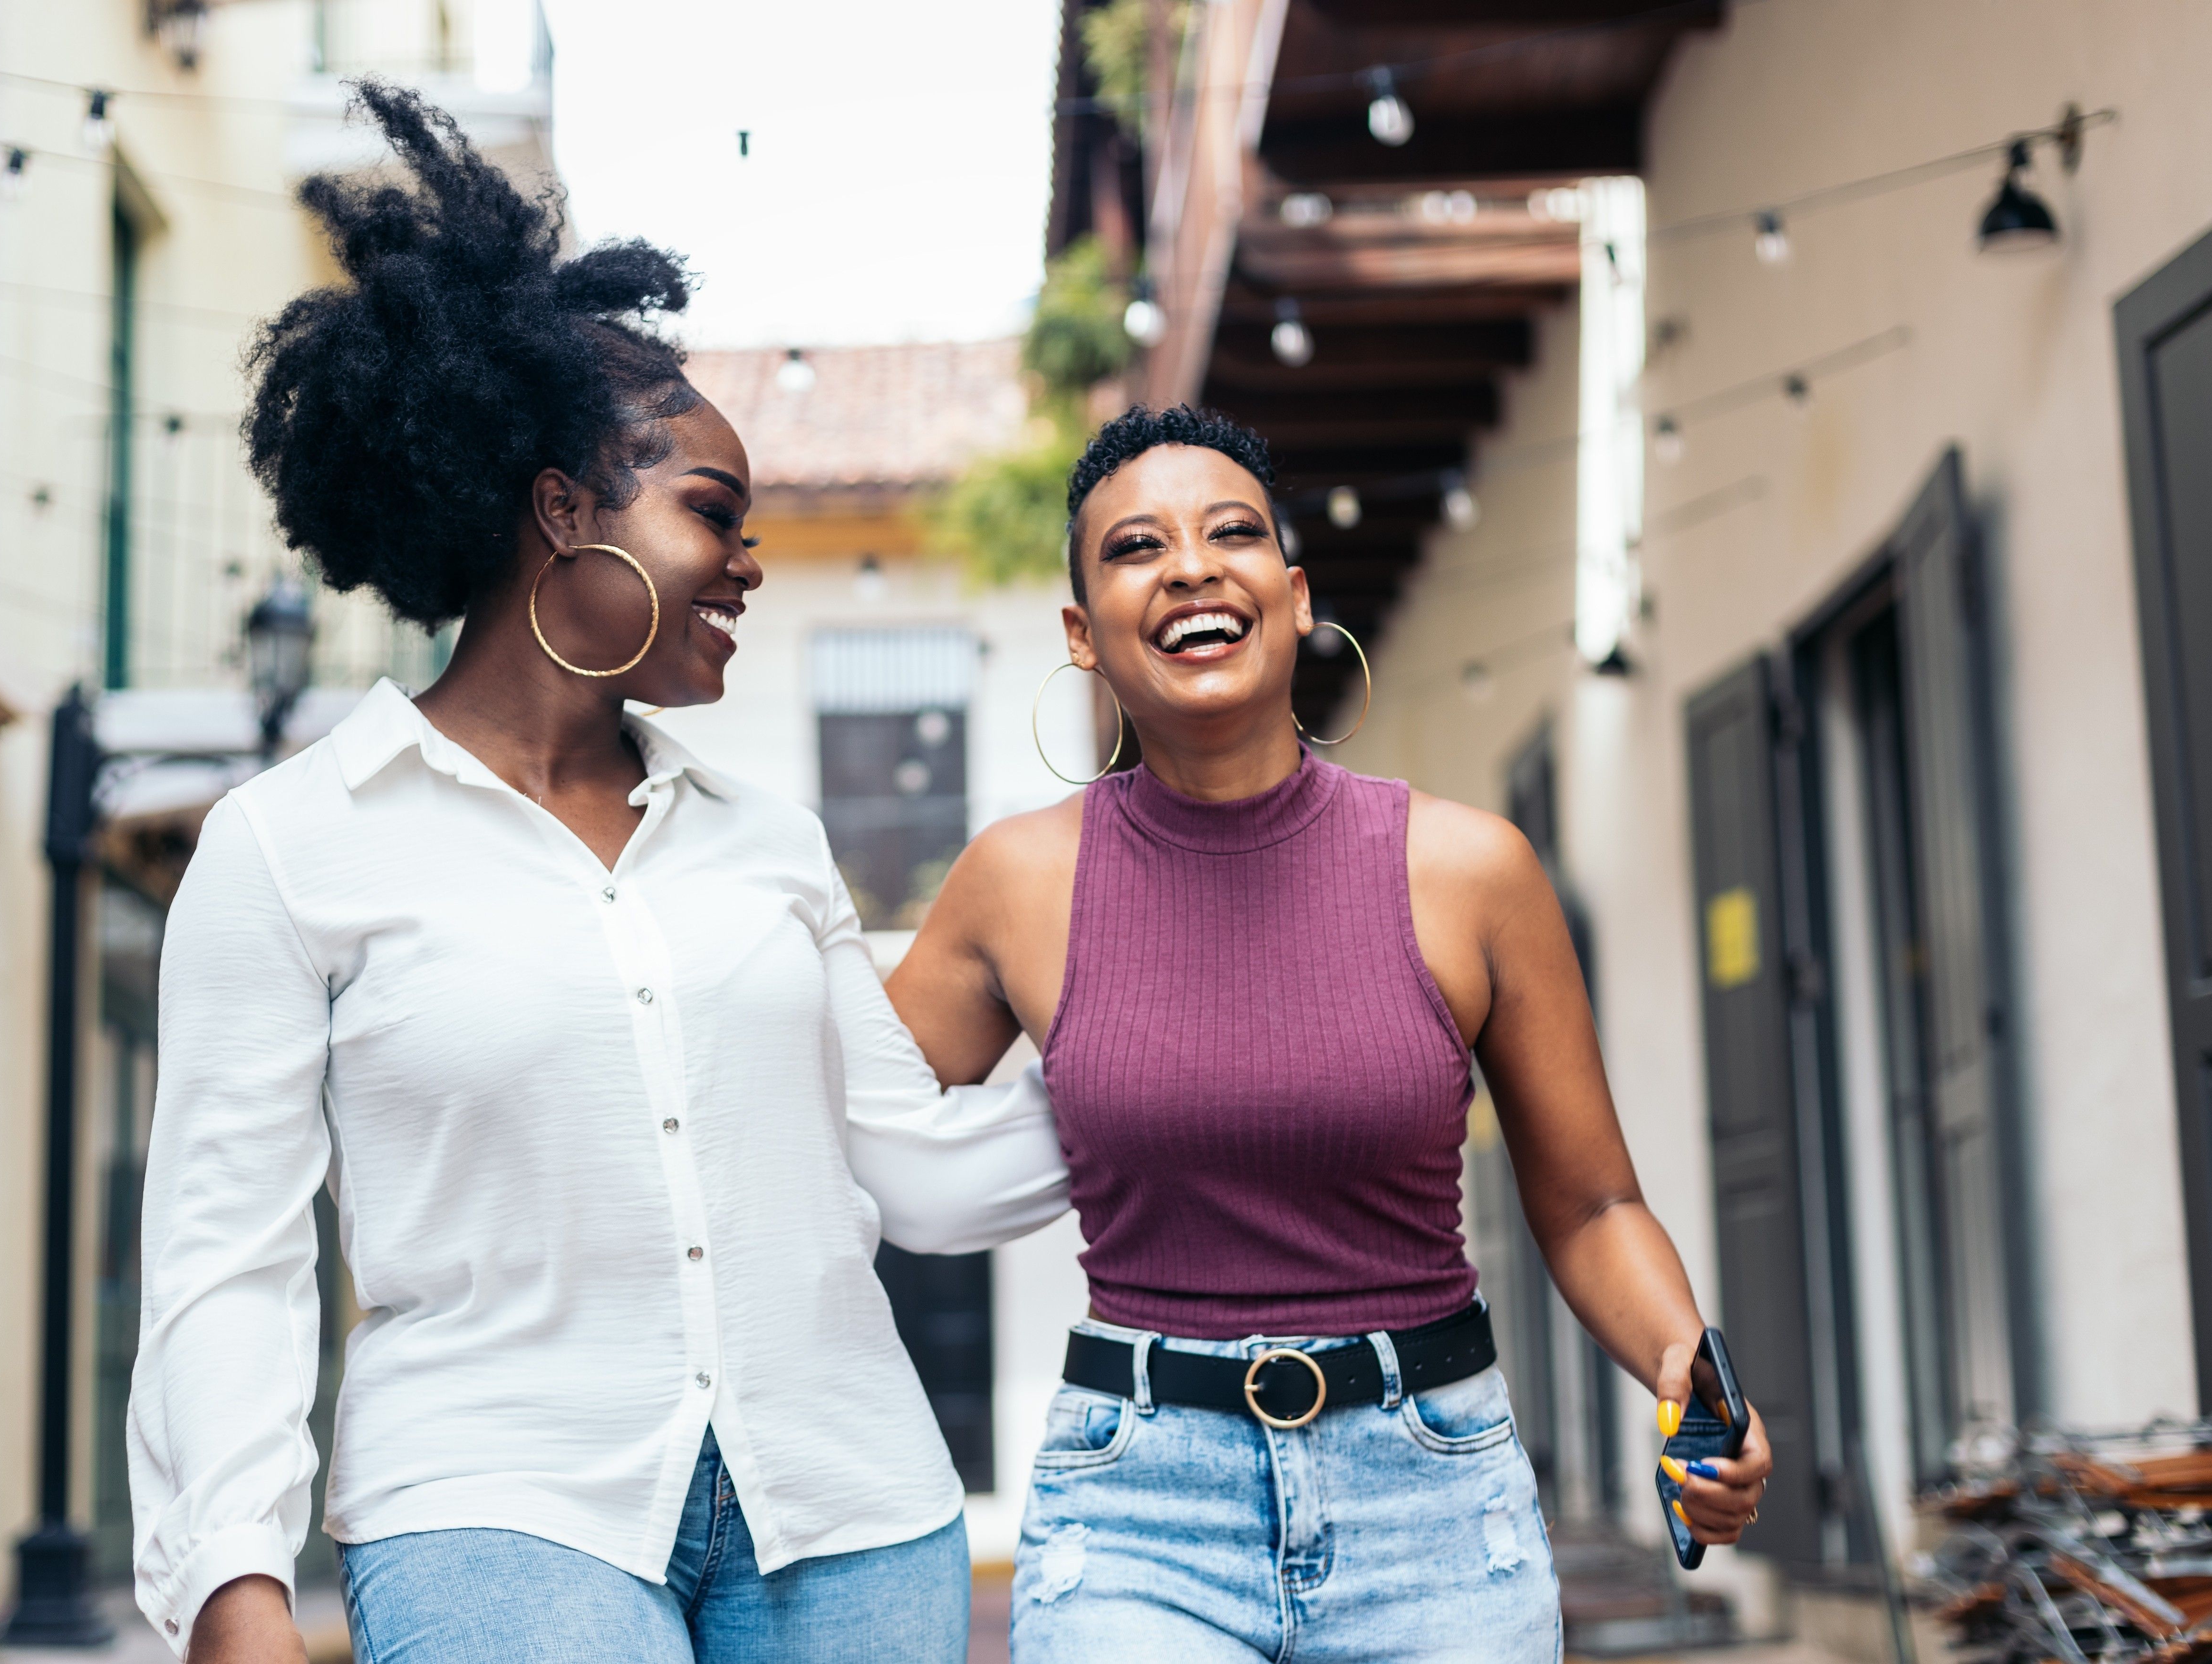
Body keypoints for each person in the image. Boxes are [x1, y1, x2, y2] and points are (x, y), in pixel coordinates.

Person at [128, 84, 1066, 1664]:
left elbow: (918, 1169)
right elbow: (227, 1256)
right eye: (715, 512)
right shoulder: (291, 846)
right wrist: (233, 1586)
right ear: (563, 508)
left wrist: (1189, 1055)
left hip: (850, 1511)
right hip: (497, 1508)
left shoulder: (768, 839)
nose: (750, 563)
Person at [887, 404, 1775, 1661]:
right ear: (1081, 635)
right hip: (1140, 1509)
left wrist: (1688, 1369)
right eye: (1137, 547)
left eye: (1232, 532)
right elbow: (840, 1138)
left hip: (1431, 1492)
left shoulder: (1468, 869)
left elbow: (1588, 1206)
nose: (1192, 565)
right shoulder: (1018, 884)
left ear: (1294, 595)